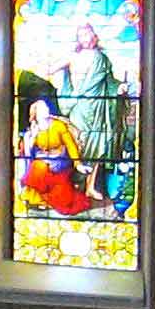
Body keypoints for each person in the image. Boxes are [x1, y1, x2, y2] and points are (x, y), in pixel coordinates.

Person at [55, 21, 128, 204]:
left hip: (98, 108)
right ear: (78, 39)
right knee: (77, 144)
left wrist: (119, 88)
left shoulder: (102, 59)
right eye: (81, 35)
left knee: (98, 146)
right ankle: (71, 185)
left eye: (88, 34)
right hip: (77, 107)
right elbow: (52, 69)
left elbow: (110, 83)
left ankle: (90, 186)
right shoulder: (73, 57)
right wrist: (62, 80)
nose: (85, 38)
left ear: (94, 37)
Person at [18, 96, 96, 217]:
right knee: (38, 166)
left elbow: (71, 145)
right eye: (42, 109)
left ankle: (46, 197)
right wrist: (31, 138)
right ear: (35, 113)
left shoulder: (58, 126)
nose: (46, 110)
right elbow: (28, 153)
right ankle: (39, 198)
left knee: (66, 204)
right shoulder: (34, 128)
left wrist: (78, 164)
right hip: (41, 161)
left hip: (60, 160)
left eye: (46, 107)